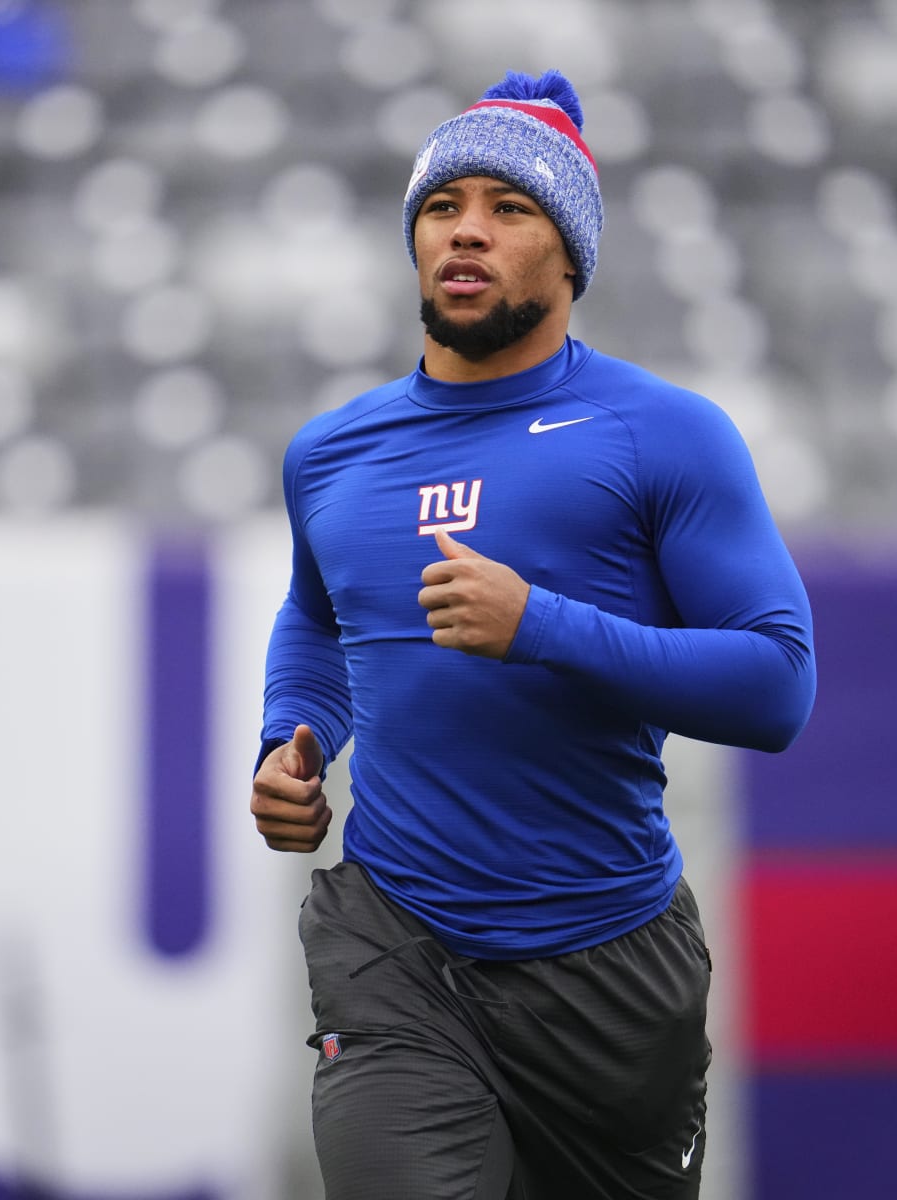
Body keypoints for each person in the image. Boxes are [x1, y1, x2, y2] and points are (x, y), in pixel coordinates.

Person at [248, 70, 816, 1199]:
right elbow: (319, 616)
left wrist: (542, 626)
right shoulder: (331, 453)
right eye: (443, 204)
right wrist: (293, 732)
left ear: (570, 257)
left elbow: (777, 686)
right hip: (396, 951)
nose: (468, 230)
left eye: (510, 209)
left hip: (611, 974)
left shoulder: (664, 435)